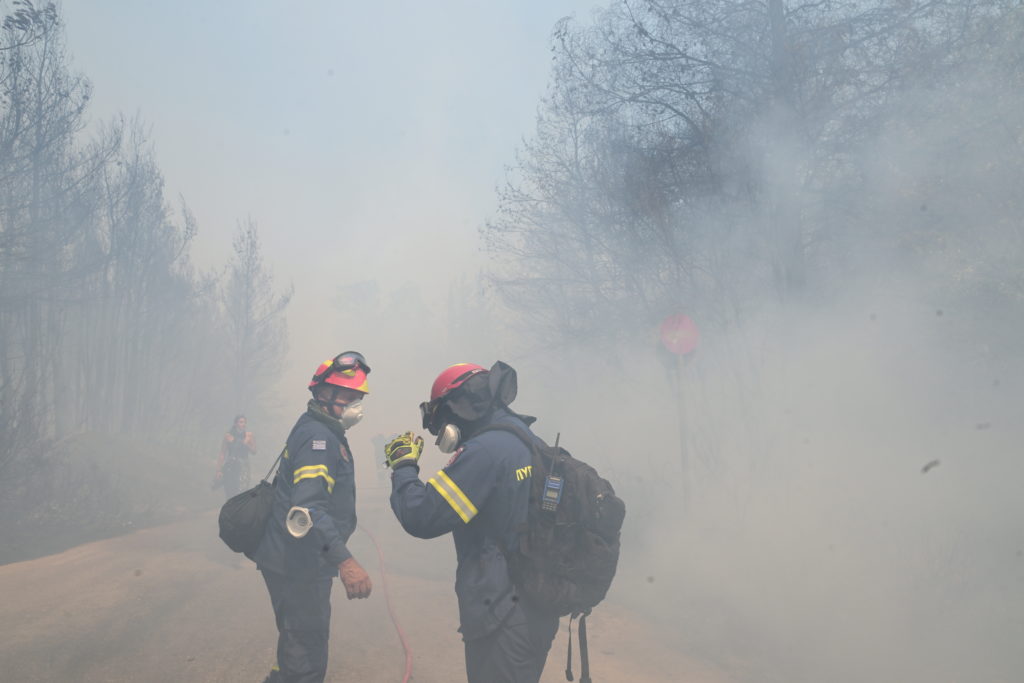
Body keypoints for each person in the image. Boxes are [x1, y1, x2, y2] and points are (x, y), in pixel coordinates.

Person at [386, 361, 559, 683]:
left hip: (503, 610)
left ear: (458, 409)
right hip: (534, 603)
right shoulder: (524, 438)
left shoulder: (485, 452)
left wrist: (404, 466)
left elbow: (422, 517)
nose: (441, 432)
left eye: (440, 421)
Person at [252, 351, 374, 683]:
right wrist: (345, 561)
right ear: (323, 395)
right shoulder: (319, 439)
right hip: (298, 564)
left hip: (299, 561)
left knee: (297, 643)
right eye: (348, 396)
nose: (355, 405)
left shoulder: (322, 430)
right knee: (305, 652)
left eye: (357, 397)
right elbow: (307, 511)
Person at [214, 414, 256, 498]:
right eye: (241, 422)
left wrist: (246, 444)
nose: (243, 424)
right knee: (229, 489)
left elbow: (254, 451)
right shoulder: (228, 436)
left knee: (241, 491)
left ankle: (238, 509)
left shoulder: (249, 435)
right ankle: (229, 508)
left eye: (244, 422)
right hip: (231, 465)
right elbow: (222, 453)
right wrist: (218, 470)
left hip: (243, 467)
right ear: (235, 423)